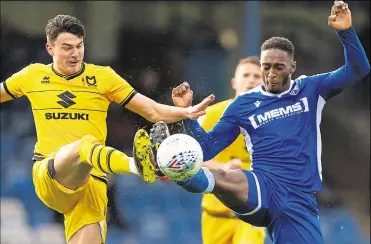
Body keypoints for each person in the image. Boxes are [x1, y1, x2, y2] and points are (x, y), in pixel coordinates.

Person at [154, 1, 370, 243]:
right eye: (266, 67)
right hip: (262, 185)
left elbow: (358, 68)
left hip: (298, 198)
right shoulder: (243, 105)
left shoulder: (311, 88)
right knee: (227, 177)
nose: (271, 73)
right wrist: (188, 117)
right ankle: (177, 170)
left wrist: (346, 31)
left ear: (293, 66)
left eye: (279, 67)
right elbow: (207, 147)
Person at [0, 15, 214, 244]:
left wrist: (185, 112)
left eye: (79, 46)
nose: (75, 53)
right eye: (66, 48)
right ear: (50, 48)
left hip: (92, 183)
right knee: (86, 144)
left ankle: (142, 164)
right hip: (50, 172)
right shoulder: (32, 75)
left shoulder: (103, 77)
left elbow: (151, 110)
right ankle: (138, 165)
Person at [198, 56, 266, 244]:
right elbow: (193, 156)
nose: (251, 80)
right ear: (234, 82)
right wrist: (223, 167)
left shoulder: (273, 119)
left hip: (252, 211)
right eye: (246, 75)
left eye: (256, 76)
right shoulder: (211, 115)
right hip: (215, 211)